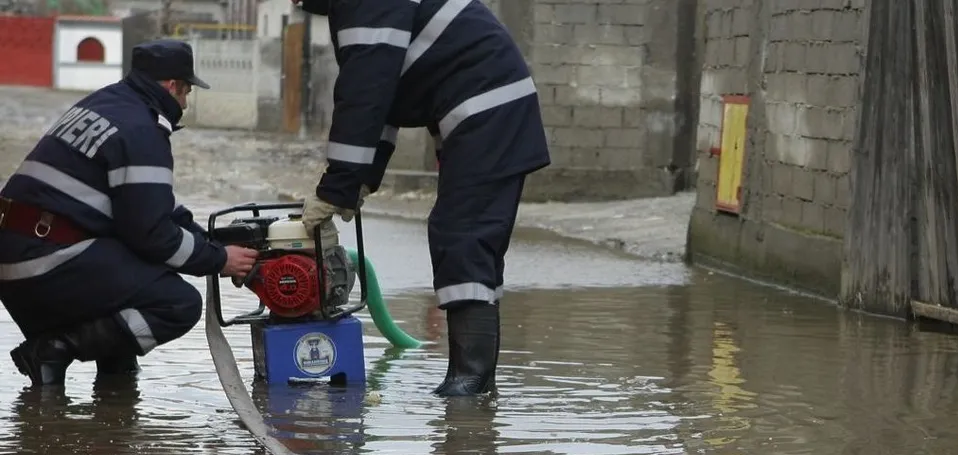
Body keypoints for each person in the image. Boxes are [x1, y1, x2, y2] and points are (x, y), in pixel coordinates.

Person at [294, 0, 551, 397]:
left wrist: (337, 186)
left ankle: (470, 382)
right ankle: (477, 384)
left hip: (487, 108)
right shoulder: (356, 9)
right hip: (484, 108)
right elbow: (382, 101)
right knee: (464, 236)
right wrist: (359, 181)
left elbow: (365, 95)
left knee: (462, 234)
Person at [0, 39, 258, 388]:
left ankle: (113, 381)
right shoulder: (142, 130)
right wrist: (219, 260)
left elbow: (153, 208)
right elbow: (153, 236)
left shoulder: (107, 103)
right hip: (41, 265)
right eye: (186, 93)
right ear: (172, 86)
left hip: (21, 258)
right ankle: (53, 351)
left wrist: (211, 241)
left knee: (136, 279)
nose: (184, 104)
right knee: (177, 303)